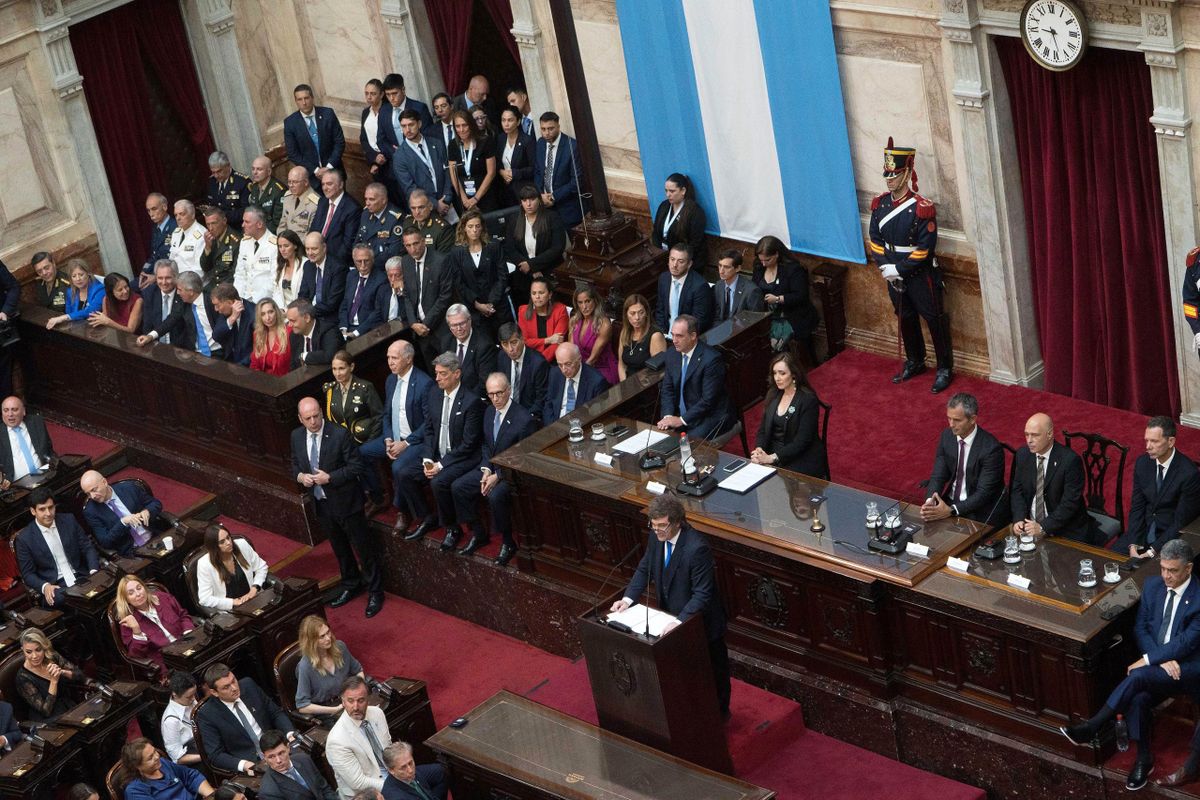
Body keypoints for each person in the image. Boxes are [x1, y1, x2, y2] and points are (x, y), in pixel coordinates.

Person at [1060, 539, 1200, 790]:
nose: (1166, 575)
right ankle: (1143, 758)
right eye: (1163, 568)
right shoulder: (1152, 586)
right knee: (1138, 695)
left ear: (1188, 568)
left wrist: (1148, 660)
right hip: (1161, 666)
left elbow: (1186, 643)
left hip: (1190, 669)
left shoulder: (1199, 598)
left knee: (1137, 676)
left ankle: (1093, 726)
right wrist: (1158, 658)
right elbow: (1141, 628)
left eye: (1173, 570)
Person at [611, 494, 730, 717]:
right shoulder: (656, 537)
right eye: (653, 525)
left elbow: (702, 594)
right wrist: (627, 600)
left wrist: (680, 621)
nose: (656, 530)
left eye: (661, 526)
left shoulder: (697, 548)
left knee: (714, 674)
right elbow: (645, 568)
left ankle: (720, 717)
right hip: (671, 619)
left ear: (677, 522)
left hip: (700, 623)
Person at [868, 139, 953, 393]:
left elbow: (925, 249)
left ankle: (944, 368)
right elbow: (875, 240)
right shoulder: (880, 204)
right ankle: (915, 360)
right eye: (887, 175)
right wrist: (886, 268)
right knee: (904, 317)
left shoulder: (922, 208)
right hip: (891, 272)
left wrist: (899, 269)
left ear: (907, 174)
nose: (890, 180)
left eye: (894, 175)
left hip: (919, 274)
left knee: (933, 318)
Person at [293, 397, 384, 617]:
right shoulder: (296, 436)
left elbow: (356, 466)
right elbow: (295, 463)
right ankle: (351, 583)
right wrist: (300, 476)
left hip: (347, 503)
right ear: (300, 419)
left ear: (321, 412)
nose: (313, 421)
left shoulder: (339, 434)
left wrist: (330, 477)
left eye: (316, 416)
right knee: (340, 549)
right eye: (308, 418)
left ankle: (375, 591)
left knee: (363, 549)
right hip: (322, 503)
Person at [400, 352, 484, 551]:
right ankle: (428, 518)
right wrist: (428, 458)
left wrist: (440, 465)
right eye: (436, 373)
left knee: (439, 482)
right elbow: (429, 429)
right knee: (404, 474)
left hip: (463, 457)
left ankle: (453, 528)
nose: (437, 378)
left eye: (442, 374)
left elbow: (469, 444)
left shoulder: (471, 402)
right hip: (437, 454)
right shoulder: (434, 394)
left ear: (457, 374)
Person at [451, 373, 537, 564]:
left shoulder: (524, 419)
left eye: (499, 393)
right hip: (490, 467)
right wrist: (486, 469)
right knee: (459, 487)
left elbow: (523, 458)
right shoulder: (489, 412)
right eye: (491, 394)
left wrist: (498, 475)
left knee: (495, 495)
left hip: (513, 474)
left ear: (509, 390)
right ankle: (479, 533)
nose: (495, 398)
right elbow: (487, 444)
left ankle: (508, 542)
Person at [365, 340, 433, 535]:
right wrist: (388, 439)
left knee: (398, 467)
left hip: (416, 441)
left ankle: (404, 510)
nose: (390, 362)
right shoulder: (390, 380)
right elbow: (387, 414)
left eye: (394, 358)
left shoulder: (424, 383)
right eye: (388, 357)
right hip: (393, 437)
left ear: (409, 359)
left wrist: (405, 443)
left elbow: (429, 423)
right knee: (362, 452)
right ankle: (379, 498)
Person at [1113, 416, 1200, 556]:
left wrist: (1152, 551)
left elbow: (1180, 522)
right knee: (1111, 561)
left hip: (1170, 536)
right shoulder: (1143, 463)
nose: (1148, 446)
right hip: (1143, 531)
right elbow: (1137, 506)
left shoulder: (1189, 473)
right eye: (1146, 440)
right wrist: (1133, 544)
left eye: (1154, 441)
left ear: (1171, 441)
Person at [920, 393, 1007, 525]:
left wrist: (951, 510)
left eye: (957, 420)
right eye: (949, 418)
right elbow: (938, 476)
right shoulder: (947, 436)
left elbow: (983, 493)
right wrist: (929, 503)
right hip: (950, 502)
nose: (951, 424)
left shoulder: (991, 449)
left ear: (973, 419)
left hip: (979, 511)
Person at [1011, 413, 1098, 543]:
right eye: (1026, 434)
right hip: (1029, 527)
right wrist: (1019, 518)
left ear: (1050, 434)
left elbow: (1070, 503)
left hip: (1064, 529)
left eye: (1035, 435)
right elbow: (1017, 490)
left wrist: (1043, 527)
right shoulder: (1023, 455)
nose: (1029, 440)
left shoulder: (1070, 461)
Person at [195, 662, 294, 776]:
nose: (234, 688)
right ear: (214, 692)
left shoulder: (248, 686)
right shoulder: (207, 714)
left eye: (233, 681)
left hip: (277, 747)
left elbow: (275, 713)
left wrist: (289, 734)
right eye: (226, 687)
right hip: (253, 763)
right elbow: (215, 755)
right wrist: (244, 765)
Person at [750, 353, 829, 479]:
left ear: (793, 374)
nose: (777, 378)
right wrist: (760, 450)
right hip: (773, 451)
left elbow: (802, 441)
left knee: (772, 481)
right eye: (774, 373)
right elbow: (763, 430)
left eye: (782, 373)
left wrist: (772, 458)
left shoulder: (807, 399)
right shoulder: (773, 394)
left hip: (800, 456)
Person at [16, 488, 98, 608]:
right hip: (56, 586)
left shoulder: (69, 520)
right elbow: (28, 574)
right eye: (42, 509)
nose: (48, 513)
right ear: (33, 511)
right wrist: (45, 586)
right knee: (66, 598)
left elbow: (87, 547)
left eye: (51, 507)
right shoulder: (24, 539)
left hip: (81, 576)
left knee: (103, 583)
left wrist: (94, 571)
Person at [657, 315, 732, 442]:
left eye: (679, 336)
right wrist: (668, 416)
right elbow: (667, 389)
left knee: (687, 444)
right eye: (673, 335)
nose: (674, 340)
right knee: (661, 440)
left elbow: (708, 401)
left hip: (709, 416)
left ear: (693, 336)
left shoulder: (711, 359)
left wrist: (681, 420)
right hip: (682, 414)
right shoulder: (672, 354)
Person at [323, 350, 385, 502]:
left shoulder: (364, 387)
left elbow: (379, 416)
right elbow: (331, 420)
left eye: (341, 368)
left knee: (360, 457)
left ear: (351, 367)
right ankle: (361, 498)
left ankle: (377, 498)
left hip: (364, 439)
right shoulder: (330, 390)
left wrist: (370, 441)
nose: (337, 373)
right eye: (334, 369)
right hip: (345, 442)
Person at [113, 574, 195, 681]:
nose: (138, 594)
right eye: (131, 593)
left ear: (144, 587)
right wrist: (137, 631)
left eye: (139, 588)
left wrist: (188, 632)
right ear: (126, 599)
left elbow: (183, 616)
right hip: (167, 665)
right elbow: (136, 655)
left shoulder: (163, 597)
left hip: (186, 647)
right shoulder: (128, 622)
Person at [750, 235, 819, 362]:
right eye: (761, 260)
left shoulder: (793, 269)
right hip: (766, 315)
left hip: (791, 315)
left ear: (776, 254)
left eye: (767, 260)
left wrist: (778, 299)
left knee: (773, 342)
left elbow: (801, 296)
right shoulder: (759, 267)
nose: (764, 263)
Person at [327, 676, 392, 798]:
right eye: (350, 701)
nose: (355, 707)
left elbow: (388, 749)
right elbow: (358, 783)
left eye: (361, 700)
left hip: (391, 774)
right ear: (343, 702)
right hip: (365, 794)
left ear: (368, 699)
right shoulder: (336, 740)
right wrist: (393, 785)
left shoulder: (377, 713)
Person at [400, 227, 454, 367]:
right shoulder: (405, 262)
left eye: (416, 243)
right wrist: (413, 323)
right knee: (432, 371)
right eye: (408, 245)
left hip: (440, 329)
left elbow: (445, 296)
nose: (413, 249)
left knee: (449, 369)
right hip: (419, 331)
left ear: (423, 241)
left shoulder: (441, 261)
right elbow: (407, 295)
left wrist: (426, 324)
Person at [506, 184, 567, 307]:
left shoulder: (552, 217)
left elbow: (558, 247)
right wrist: (529, 269)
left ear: (539, 200)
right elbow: (510, 248)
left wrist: (532, 265)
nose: (528, 204)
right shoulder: (514, 220)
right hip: (524, 277)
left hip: (549, 273)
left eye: (532, 199)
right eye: (524, 200)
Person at [135, 271, 222, 357]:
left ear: (191, 291)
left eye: (180, 290)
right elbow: (170, 321)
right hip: (195, 353)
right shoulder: (183, 304)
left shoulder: (212, 302)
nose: (177, 293)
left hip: (218, 351)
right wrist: (150, 336)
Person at [80, 469, 166, 555]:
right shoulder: (91, 511)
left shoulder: (129, 488)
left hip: (155, 538)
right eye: (88, 493)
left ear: (104, 482)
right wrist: (123, 523)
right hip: (132, 552)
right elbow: (105, 541)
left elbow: (155, 504)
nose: (92, 496)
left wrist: (147, 511)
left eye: (94, 490)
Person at [295, 614, 366, 719]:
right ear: (311, 642)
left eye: (328, 632)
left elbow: (358, 670)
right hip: (328, 711)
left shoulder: (340, 647)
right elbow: (302, 706)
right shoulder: (305, 667)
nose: (328, 638)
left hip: (349, 699)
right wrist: (334, 710)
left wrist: (358, 693)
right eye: (322, 636)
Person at [452, 208, 510, 335]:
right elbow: (459, 283)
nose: (474, 230)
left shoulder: (494, 246)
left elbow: (503, 276)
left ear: (482, 227)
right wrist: (478, 305)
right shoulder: (456, 252)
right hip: (474, 311)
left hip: (498, 307)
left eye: (477, 226)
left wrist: (491, 303)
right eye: (470, 226)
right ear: (464, 228)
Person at [195, 523, 269, 614]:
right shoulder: (204, 564)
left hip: (254, 599)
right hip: (231, 611)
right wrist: (234, 602)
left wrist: (254, 588)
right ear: (214, 546)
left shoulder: (242, 545)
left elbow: (261, 567)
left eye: (228, 537)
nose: (228, 543)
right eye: (222, 542)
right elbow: (205, 599)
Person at [284, 83, 346, 189]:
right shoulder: (290, 122)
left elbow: (339, 142)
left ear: (312, 98)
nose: (304, 103)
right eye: (300, 99)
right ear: (296, 101)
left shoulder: (328, 114)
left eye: (306, 98)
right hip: (312, 179)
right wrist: (316, 170)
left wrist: (329, 167)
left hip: (335, 173)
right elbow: (293, 153)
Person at [391, 110, 454, 213]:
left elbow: (448, 171)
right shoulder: (399, 156)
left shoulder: (436, 143)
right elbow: (410, 188)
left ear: (419, 124)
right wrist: (435, 204)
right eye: (403, 126)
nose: (407, 130)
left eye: (411, 125)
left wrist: (447, 197)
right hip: (423, 209)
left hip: (448, 203)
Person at [15, 627, 82, 721]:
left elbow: (80, 675)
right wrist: (53, 681)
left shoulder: (53, 656)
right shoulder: (22, 677)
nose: (34, 656)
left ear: (44, 647)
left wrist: (62, 672)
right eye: (29, 652)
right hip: (49, 720)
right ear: (23, 650)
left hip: (68, 706)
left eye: (38, 650)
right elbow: (46, 710)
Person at [115, 738, 214, 800]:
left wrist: (211, 795)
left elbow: (191, 776)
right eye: (150, 758)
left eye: (155, 751)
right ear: (137, 766)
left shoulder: (163, 763)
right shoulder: (135, 791)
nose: (157, 757)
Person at [258, 728, 340, 800]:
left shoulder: (304, 759)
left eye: (281, 753)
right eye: (271, 757)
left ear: (288, 747)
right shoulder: (268, 792)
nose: (278, 760)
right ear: (264, 757)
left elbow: (324, 789)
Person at [532, 111, 583, 227]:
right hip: (545, 207)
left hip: (567, 207)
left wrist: (553, 197)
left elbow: (576, 181)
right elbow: (538, 172)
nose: (546, 133)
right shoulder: (540, 143)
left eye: (550, 129)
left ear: (558, 127)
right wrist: (540, 195)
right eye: (543, 129)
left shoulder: (572, 146)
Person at [543, 342, 608, 425]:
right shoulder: (555, 373)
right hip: (556, 425)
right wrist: (552, 427)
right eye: (560, 365)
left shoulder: (596, 382)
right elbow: (548, 405)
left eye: (568, 364)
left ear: (579, 359)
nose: (564, 370)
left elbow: (596, 416)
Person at [654, 243, 713, 336]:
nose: (674, 265)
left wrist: (678, 337)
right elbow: (660, 311)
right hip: (665, 333)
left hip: (686, 336)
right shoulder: (664, 278)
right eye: (672, 259)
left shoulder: (700, 286)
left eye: (680, 261)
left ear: (689, 264)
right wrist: (661, 334)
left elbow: (698, 321)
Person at [447, 109, 498, 215]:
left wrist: (476, 198)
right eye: (457, 126)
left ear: (471, 124)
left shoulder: (485, 141)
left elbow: (491, 172)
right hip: (465, 200)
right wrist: (464, 199)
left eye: (464, 125)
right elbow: (453, 174)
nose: (461, 130)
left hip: (485, 196)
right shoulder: (453, 145)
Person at [440, 304, 497, 399]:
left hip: (473, 399)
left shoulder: (484, 346)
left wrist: (461, 400)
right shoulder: (446, 342)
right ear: (449, 326)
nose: (459, 329)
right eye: (454, 325)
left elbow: (484, 384)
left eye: (462, 323)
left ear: (470, 320)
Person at [651, 173, 708, 268]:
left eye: (672, 191)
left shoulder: (695, 212)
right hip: (662, 257)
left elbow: (695, 243)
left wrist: (677, 260)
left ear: (683, 191)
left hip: (683, 262)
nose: (668, 195)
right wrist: (658, 253)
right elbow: (656, 232)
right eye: (666, 191)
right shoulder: (664, 206)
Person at [497, 322, 549, 421]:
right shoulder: (502, 356)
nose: (510, 349)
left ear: (522, 339)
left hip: (528, 415)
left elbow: (541, 400)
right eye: (505, 344)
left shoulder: (538, 363)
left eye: (514, 342)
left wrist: (522, 419)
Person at [311, 169, 362, 267]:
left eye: (329, 184)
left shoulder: (352, 208)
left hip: (337, 263)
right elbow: (314, 229)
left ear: (341, 185)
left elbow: (348, 245)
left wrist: (328, 263)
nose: (325, 188)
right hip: (316, 258)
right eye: (323, 184)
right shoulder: (322, 202)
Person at [0, 396, 55, 484]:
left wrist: (53, 468)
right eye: (6, 410)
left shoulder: (36, 422)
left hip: (45, 478)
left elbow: (49, 450)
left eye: (14, 409)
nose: (10, 414)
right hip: (16, 486)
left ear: (23, 411)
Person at [377, 73, 434, 158]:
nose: (391, 98)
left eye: (394, 93)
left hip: (420, 157)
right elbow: (381, 140)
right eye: (388, 94)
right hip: (396, 160)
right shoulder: (384, 111)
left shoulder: (419, 108)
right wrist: (396, 153)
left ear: (403, 90)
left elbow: (429, 135)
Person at [569, 285, 618, 385]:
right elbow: (571, 351)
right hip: (579, 368)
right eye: (580, 302)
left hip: (601, 369)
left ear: (595, 301)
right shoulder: (574, 322)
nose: (584, 307)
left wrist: (577, 376)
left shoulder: (604, 324)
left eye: (587, 301)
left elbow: (593, 359)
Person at [339, 246, 388, 340]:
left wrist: (356, 333)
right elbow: (345, 303)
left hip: (367, 330)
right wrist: (343, 327)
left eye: (366, 261)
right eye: (359, 261)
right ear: (354, 261)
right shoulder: (351, 275)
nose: (363, 265)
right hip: (347, 327)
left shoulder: (381, 279)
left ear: (372, 260)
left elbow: (378, 312)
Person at [232, 206, 278, 304]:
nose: (242, 225)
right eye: (243, 221)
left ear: (259, 224)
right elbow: (240, 274)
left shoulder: (275, 245)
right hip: (244, 299)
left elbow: (275, 280)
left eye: (247, 222)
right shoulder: (244, 242)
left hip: (265, 302)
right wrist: (238, 299)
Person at [516, 276, 568, 361]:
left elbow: (557, 343)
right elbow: (524, 341)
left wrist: (540, 362)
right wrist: (547, 340)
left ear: (550, 294)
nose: (537, 296)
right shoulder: (523, 311)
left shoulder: (560, 310)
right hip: (530, 357)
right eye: (534, 293)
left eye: (541, 293)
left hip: (554, 358)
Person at [618, 293, 667, 381]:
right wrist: (624, 384)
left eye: (641, 312)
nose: (637, 317)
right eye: (632, 313)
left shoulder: (655, 336)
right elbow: (621, 365)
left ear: (646, 313)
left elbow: (658, 372)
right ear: (626, 314)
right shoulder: (625, 332)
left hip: (647, 384)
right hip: (627, 382)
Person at [298, 231, 346, 321]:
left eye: (314, 249)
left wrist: (309, 313)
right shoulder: (308, 265)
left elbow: (332, 303)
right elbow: (303, 295)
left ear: (324, 247)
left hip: (329, 318)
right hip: (309, 315)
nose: (310, 253)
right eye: (307, 249)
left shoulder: (338, 268)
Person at [496, 103, 536, 208]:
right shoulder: (500, 139)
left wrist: (514, 173)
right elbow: (496, 162)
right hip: (506, 192)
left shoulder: (527, 140)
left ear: (518, 122)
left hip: (524, 190)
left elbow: (534, 168)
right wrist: (501, 172)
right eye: (503, 120)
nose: (506, 124)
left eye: (510, 120)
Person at [356, 182, 405, 267]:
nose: (367, 203)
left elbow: (393, 252)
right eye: (366, 199)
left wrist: (367, 261)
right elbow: (357, 242)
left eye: (372, 199)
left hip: (384, 268)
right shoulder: (365, 214)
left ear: (384, 200)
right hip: (364, 266)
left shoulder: (395, 219)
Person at [45, 259, 104, 329]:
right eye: (74, 276)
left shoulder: (100, 289)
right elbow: (69, 312)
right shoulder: (70, 291)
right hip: (77, 329)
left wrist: (63, 317)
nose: (78, 279)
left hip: (97, 329)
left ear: (88, 273)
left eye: (81, 275)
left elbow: (91, 311)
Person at [288, 298, 344, 369]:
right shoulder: (294, 336)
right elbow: (293, 365)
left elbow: (329, 356)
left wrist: (304, 356)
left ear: (307, 318)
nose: (289, 325)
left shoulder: (329, 330)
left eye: (293, 321)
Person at [381, 741, 448, 800]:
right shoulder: (397, 797)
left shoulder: (409, 774)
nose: (410, 770)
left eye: (410, 763)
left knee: (442, 770)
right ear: (391, 770)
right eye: (403, 767)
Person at [713, 249, 764, 322]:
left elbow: (755, 321)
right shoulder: (719, 285)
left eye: (726, 267)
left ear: (738, 268)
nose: (721, 271)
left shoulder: (751, 291)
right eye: (720, 265)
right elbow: (716, 315)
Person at [161, 671, 201, 765]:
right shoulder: (170, 721)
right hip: (195, 760)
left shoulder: (190, 700)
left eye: (194, 694)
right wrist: (205, 756)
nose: (193, 698)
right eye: (189, 697)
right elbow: (178, 759)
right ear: (174, 694)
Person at [211, 283, 255, 366]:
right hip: (230, 362)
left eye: (217, 305)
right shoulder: (225, 312)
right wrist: (232, 318)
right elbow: (216, 336)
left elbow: (258, 350)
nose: (215, 309)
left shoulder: (253, 315)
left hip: (249, 366)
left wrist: (239, 366)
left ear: (230, 302)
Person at [206, 151, 251, 231]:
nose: (216, 175)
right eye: (213, 172)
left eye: (219, 171)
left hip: (239, 229)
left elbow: (247, 211)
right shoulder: (212, 182)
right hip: (219, 230)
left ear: (228, 166)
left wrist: (222, 217)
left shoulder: (242, 182)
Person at [401, 188, 455, 253]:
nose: (417, 212)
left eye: (421, 207)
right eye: (413, 208)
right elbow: (403, 251)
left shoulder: (443, 229)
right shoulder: (408, 223)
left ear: (430, 206)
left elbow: (443, 257)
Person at [140, 192, 177, 287]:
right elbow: (154, 255)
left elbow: (175, 260)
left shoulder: (175, 227)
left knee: (146, 292)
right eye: (148, 211)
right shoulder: (156, 229)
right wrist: (144, 271)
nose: (151, 214)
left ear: (164, 207)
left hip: (168, 277)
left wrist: (156, 277)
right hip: (155, 272)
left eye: (154, 209)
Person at [251, 298, 292, 375]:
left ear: (276, 312)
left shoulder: (288, 332)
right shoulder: (257, 334)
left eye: (270, 312)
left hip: (284, 380)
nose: (268, 318)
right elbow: (255, 363)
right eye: (263, 314)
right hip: (263, 379)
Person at [141, 259, 180, 341]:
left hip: (178, 345)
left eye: (168, 278)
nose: (164, 282)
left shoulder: (182, 294)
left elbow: (174, 320)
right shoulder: (150, 293)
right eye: (160, 278)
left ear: (175, 277)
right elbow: (147, 325)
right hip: (155, 343)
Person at [168, 199, 207, 278]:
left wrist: (180, 281)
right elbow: (172, 259)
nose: (178, 218)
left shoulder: (201, 235)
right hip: (174, 277)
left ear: (192, 215)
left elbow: (199, 270)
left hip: (191, 281)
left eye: (182, 214)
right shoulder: (176, 232)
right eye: (176, 215)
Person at [279, 166, 322, 236]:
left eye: (295, 182)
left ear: (306, 182)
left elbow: (312, 234)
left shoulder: (316, 202)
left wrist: (292, 242)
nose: (291, 185)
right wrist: (282, 239)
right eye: (289, 182)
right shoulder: (288, 197)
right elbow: (282, 225)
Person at [248, 155, 287, 232]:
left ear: (269, 172)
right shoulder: (255, 187)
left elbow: (277, 222)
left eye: (259, 169)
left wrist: (259, 232)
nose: (255, 172)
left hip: (272, 232)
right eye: (253, 169)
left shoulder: (279, 191)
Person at [272, 229, 305, 309]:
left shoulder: (305, 264)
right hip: (282, 310)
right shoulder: (279, 264)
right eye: (280, 246)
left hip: (301, 309)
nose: (282, 250)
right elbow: (276, 290)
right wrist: (282, 309)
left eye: (286, 246)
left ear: (295, 246)